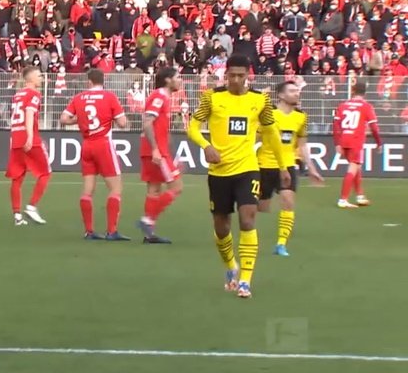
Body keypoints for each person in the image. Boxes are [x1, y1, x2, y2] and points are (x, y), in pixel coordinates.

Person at [187, 55, 288, 299]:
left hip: (248, 168)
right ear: (225, 74)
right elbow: (192, 126)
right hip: (219, 172)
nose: (235, 79)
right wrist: (205, 145)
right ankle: (231, 266)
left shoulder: (259, 100)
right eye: (231, 74)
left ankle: (245, 280)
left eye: (240, 75)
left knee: (247, 219)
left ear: (248, 75)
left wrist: (283, 166)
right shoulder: (212, 97)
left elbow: (271, 133)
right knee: (221, 227)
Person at [60, 69, 129, 241]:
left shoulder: (79, 98)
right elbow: (122, 123)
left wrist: (79, 119)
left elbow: (63, 119)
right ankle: (111, 231)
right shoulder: (109, 97)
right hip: (103, 144)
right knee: (116, 189)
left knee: (87, 190)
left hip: (87, 145)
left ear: (89, 81)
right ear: (101, 81)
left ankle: (89, 231)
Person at [257, 81, 324, 257]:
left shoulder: (301, 117)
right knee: (262, 207)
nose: (297, 93)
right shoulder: (268, 114)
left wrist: (311, 168)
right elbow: (254, 135)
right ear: (281, 95)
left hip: (288, 165)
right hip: (265, 165)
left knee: (288, 202)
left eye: (297, 91)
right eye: (292, 91)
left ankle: (281, 244)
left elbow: (302, 145)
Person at [138, 67, 182, 244]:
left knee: (154, 189)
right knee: (176, 187)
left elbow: (156, 125)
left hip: (153, 150)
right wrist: (156, 149)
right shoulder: (159, 96)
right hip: (156, 151)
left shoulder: (163, 97)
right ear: (167, 80)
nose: (180, 80)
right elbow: (147, 122)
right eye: (177, 77)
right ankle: (148, 220)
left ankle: (149, 234)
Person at [6, 66, 51, 226]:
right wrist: (31, 135)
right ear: (30, 78)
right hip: (28, 137)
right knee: (45, 173)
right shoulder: (34, 94)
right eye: (39, 75)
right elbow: (30, 113)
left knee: (17, 178)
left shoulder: (18, 95)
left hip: (15, 137)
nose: (42, 78)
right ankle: (32, 206)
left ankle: (17, 216)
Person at [333, 80, 383, 208]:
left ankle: (360, 196)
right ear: (365, 92)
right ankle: (343, 199)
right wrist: (379, 142)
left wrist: (337, 142)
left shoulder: (343, 105)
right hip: (356, 140)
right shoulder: (366, 106)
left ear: (353, 90)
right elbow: (374, 127)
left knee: (356, 167)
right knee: (353, 167)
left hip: (344, 139)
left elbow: (336, 124)